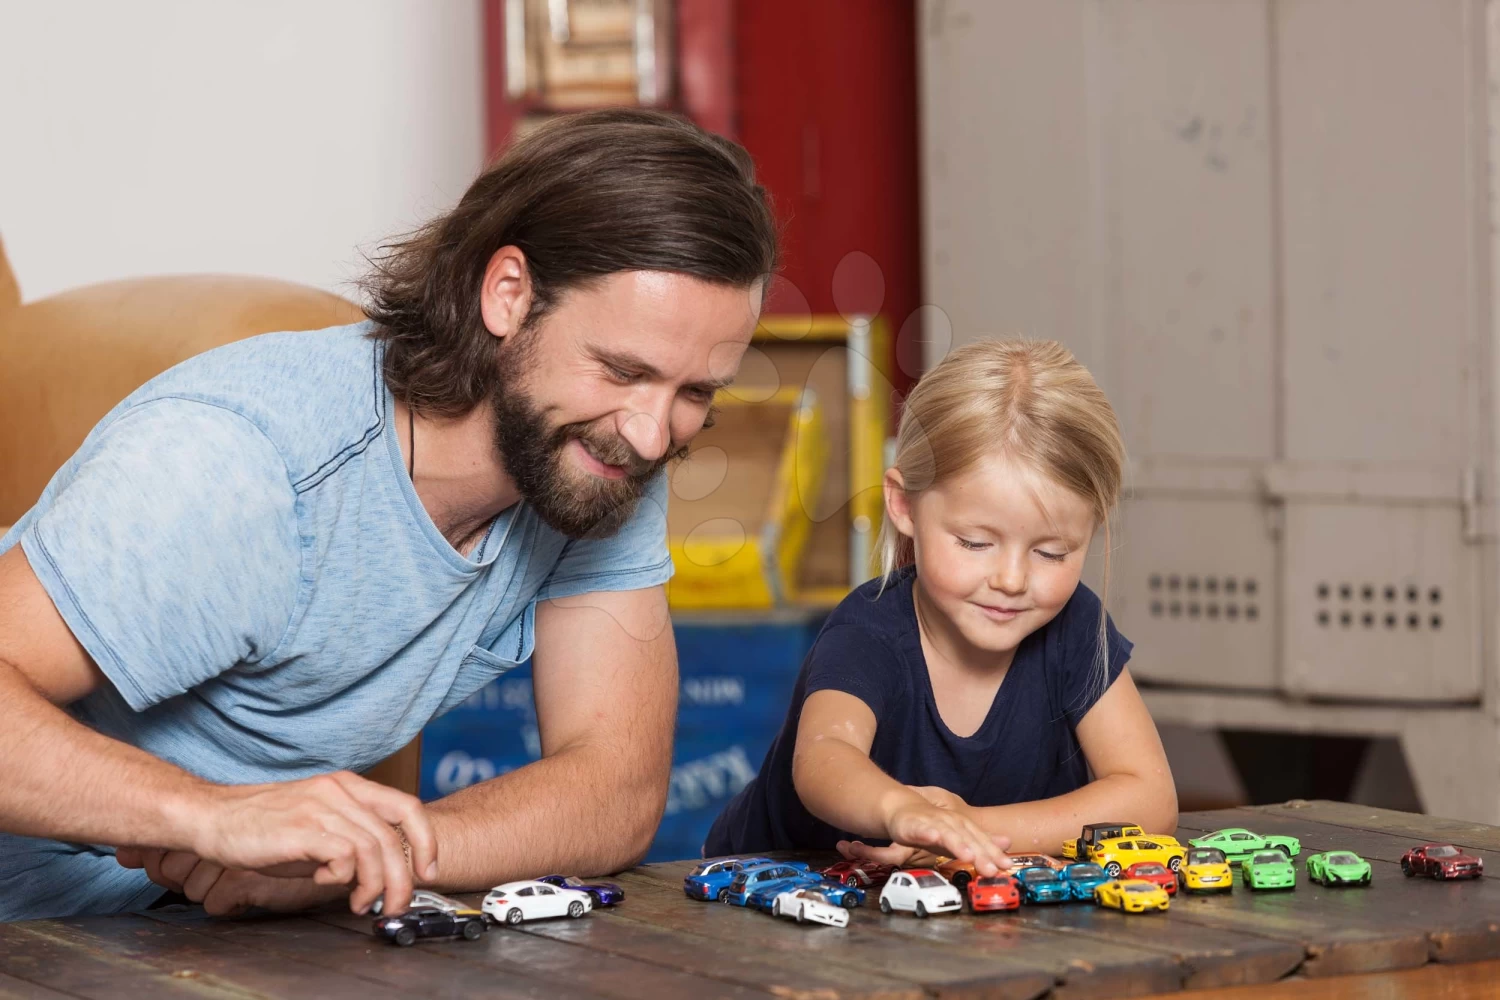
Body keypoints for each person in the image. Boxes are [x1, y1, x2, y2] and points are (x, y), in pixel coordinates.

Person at [0, 108, 778, 921]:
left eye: (695, 393)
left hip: (227, 928)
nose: (653, 433)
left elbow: (615, 789)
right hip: (36, 924)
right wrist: (215, 816)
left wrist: (370, 854)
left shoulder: (595, 459)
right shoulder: (242, 463)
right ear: (508, 295)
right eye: (622, 369)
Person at [704, 340, 1176, 873]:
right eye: (975, 543)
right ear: (903, 504)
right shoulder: (868, 630)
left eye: (1051, 552)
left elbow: (1150, 797)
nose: (1012, 579)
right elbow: (823, 759)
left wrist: (968, 828)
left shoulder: (1076, 628)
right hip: (759, 887)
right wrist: (900, 810)